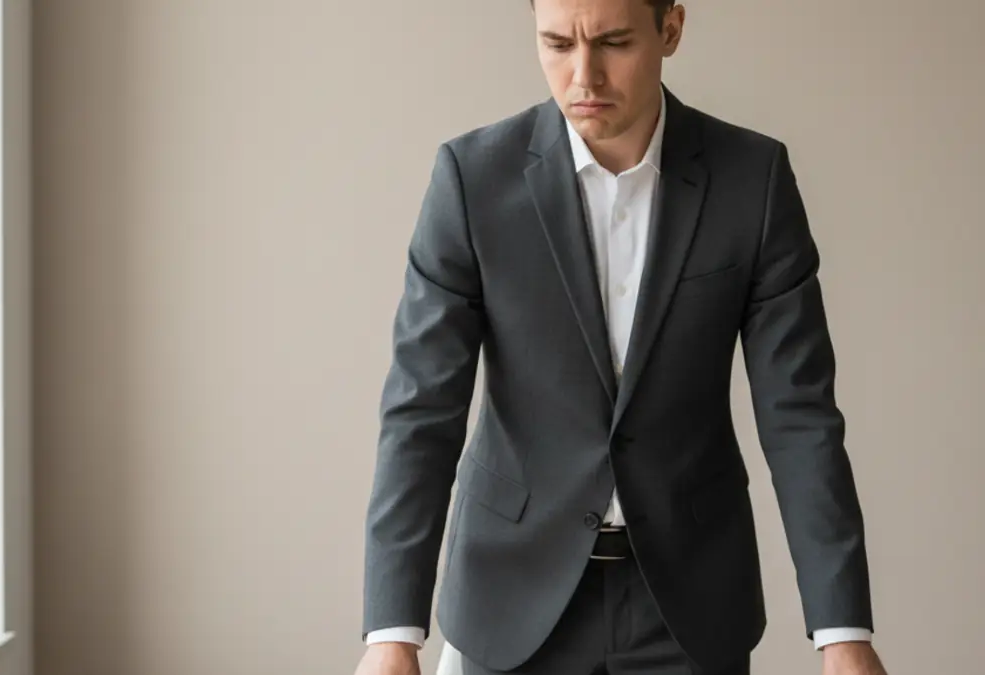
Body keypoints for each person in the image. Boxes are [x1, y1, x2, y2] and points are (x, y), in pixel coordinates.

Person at [355, 1, 888, 673]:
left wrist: (842, 632)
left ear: (670, 28)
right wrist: (391, 632)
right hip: (511, 599)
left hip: (689, 604)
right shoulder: (471, 181)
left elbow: (800, 415)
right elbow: (421, 411)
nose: (584, 76)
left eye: (612, 42)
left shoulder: (753, 181)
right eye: (556, 44)